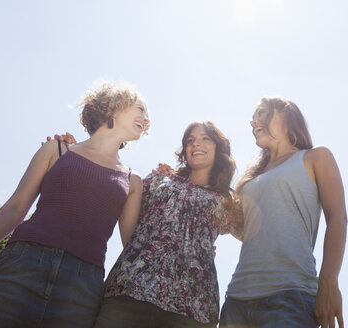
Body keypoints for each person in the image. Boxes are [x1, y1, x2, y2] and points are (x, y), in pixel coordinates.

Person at [0, 81, 149, 328]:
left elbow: (133, 246)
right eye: (140, 109)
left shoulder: (133, 180)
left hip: (82, 285)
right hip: (22, 264)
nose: (146, 118)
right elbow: (16, 207)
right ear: (113, 105)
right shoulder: (56, 149)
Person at [92, 121, 244, 328]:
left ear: (219, 148)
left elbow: (254, 235)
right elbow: (114, 189)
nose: (196, 144)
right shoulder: (158, 180)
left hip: (192, 307)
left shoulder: (226, 201)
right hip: (130, 291)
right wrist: (73, 151)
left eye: (205, 139)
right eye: (190, 140)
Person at [219, 97, 348, 328]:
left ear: (286, 116)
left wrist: (329, 281)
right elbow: (248, 231)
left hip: (290, 296)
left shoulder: (315, 157)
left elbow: (338, 217)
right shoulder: (250, 179)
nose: (253, 121)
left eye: (261, 113)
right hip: (237, 300)